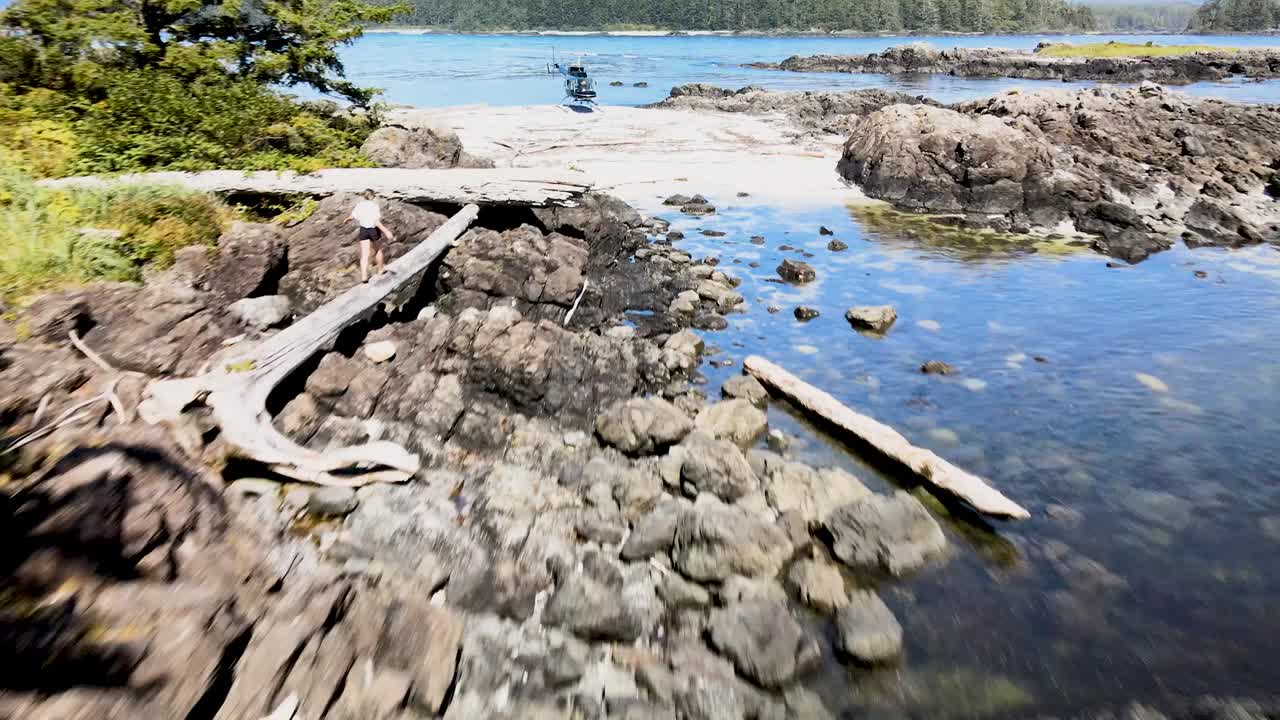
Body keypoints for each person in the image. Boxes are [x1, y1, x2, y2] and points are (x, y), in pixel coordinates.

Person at [345, 190, 396, 282]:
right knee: (378, 250)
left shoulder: (359, 205)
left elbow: (352, 216)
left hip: (363, 230)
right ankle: (380, 269)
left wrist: (347, 219)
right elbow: (376, 221)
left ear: (363, 196)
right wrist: (386, 231)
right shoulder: (374, 206)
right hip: (373, 230)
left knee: (364, 254)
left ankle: (364, 276)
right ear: (373, 196)